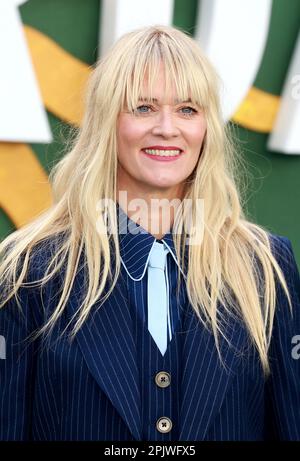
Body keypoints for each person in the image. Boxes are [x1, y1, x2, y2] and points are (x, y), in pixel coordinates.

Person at [0, 25, 300, 442]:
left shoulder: (266, 266)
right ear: (108, 121)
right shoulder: (30, 268)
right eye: (143, 107)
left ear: (206, 128)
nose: (166, 127)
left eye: (187, 110)